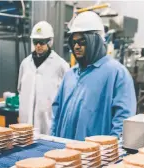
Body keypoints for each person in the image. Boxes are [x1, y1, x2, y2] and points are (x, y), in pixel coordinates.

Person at [51, 11, 136, 140]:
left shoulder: (116, 73)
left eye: (82, 42)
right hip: (64, 152)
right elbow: (56, 115)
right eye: (74, 42)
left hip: (96, 157)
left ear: (95, 41)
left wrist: (108, 153)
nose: (76, 47)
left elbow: (123, 121)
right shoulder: (70, 75)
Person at [18, 21, 69, 134]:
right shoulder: (25, 64)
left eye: (41, 42)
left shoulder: (61, 65)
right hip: (25, 127)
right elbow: (20, 90)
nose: (38, 46)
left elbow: (66, 98)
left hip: (48, 126)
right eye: (35, 42)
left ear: (49, 41)